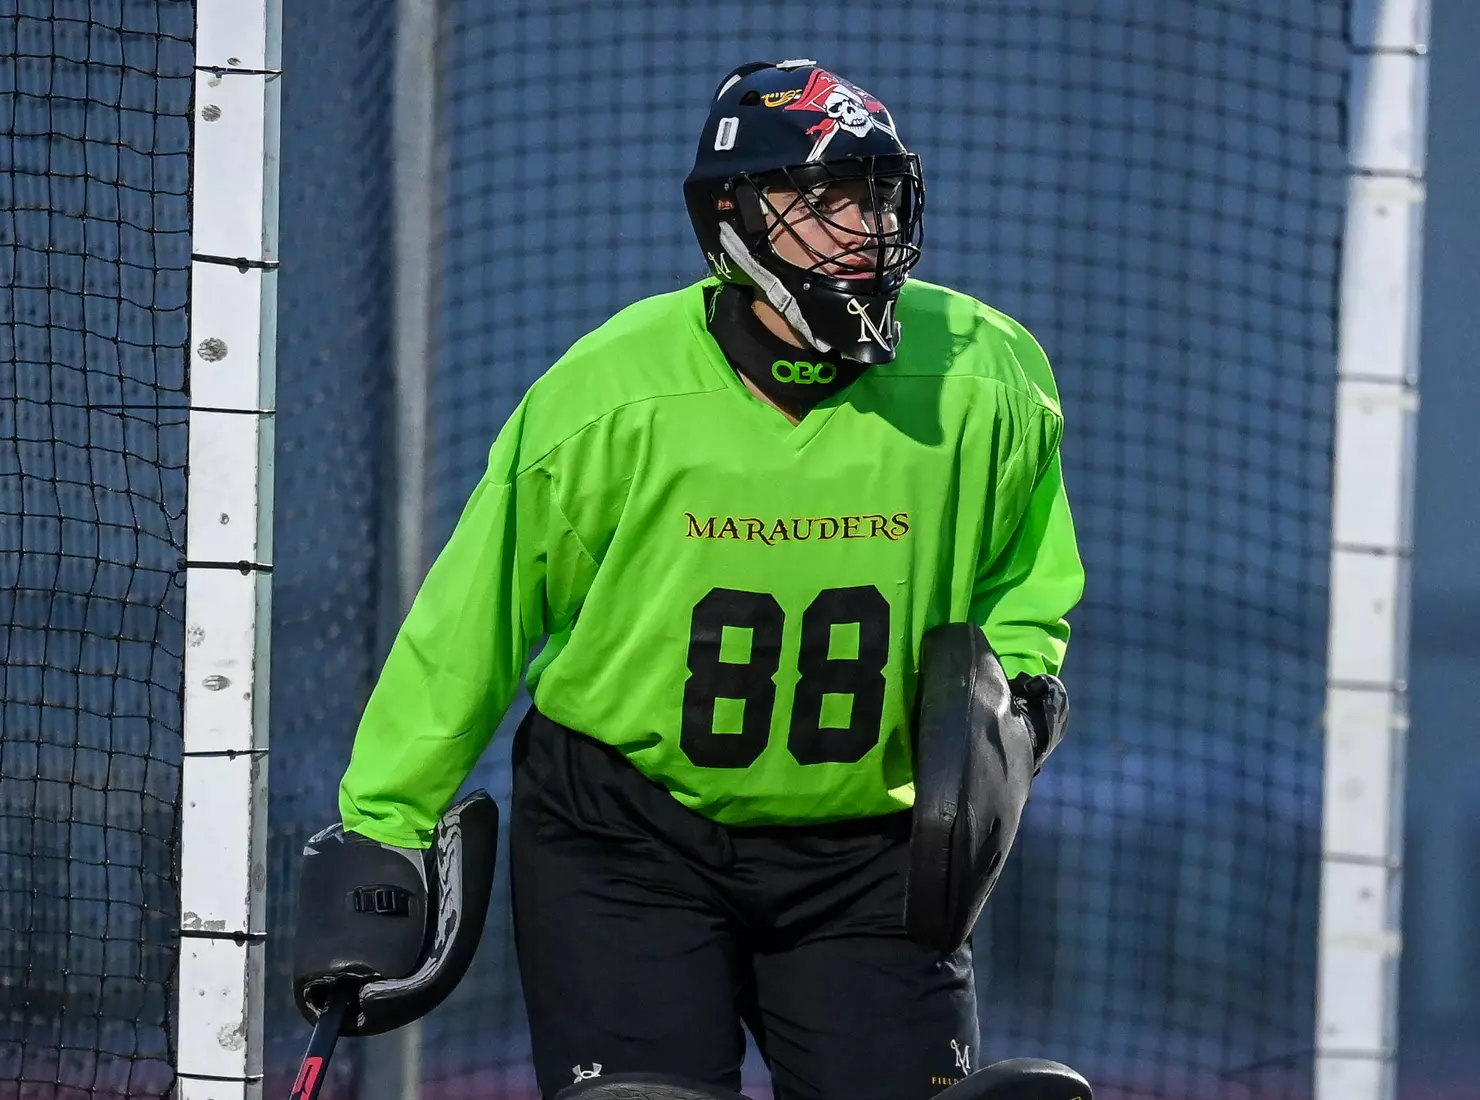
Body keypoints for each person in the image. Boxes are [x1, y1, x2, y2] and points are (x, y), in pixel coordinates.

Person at [316, 59, 1085, 1100]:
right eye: (818, 196)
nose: (858, 223)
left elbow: (1022, 580)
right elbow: (475, 619)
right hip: (625, 840)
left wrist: (1021, 697)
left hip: (868, 854)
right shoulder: (610, 398)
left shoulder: (989, 379)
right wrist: (385, 822)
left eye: (874, 190)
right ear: (729, 214)